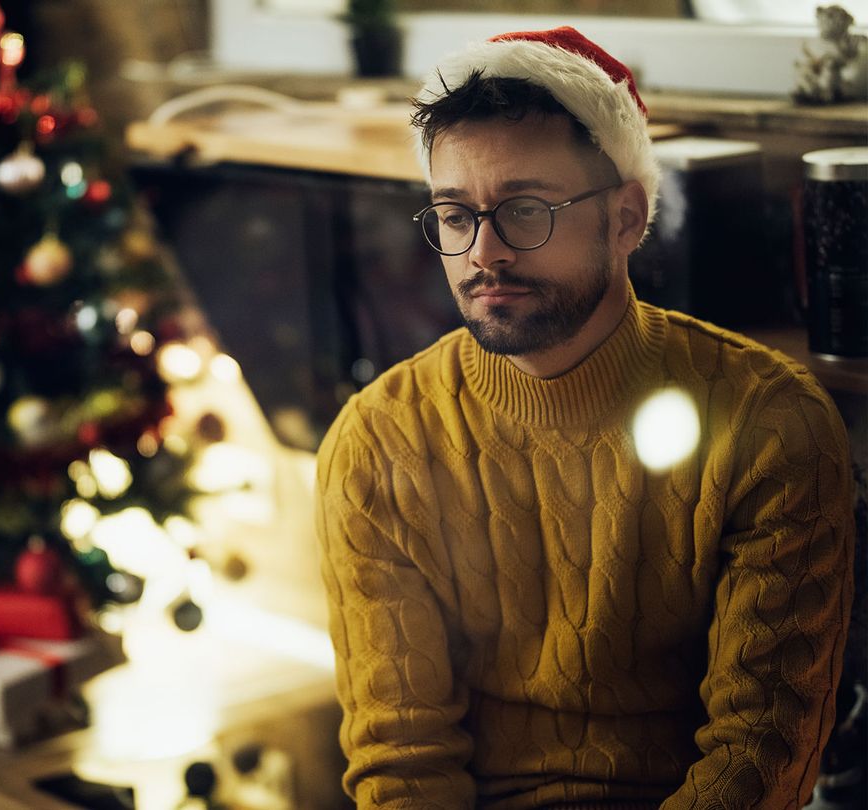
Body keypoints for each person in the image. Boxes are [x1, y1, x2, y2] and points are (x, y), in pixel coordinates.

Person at [314, 26, 855, 809]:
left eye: (525, 209)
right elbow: (401, 762)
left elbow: (761, 753)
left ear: (627, 219)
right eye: (455, 215)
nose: (484, 253)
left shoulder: (769, 422)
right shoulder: (379, 442)